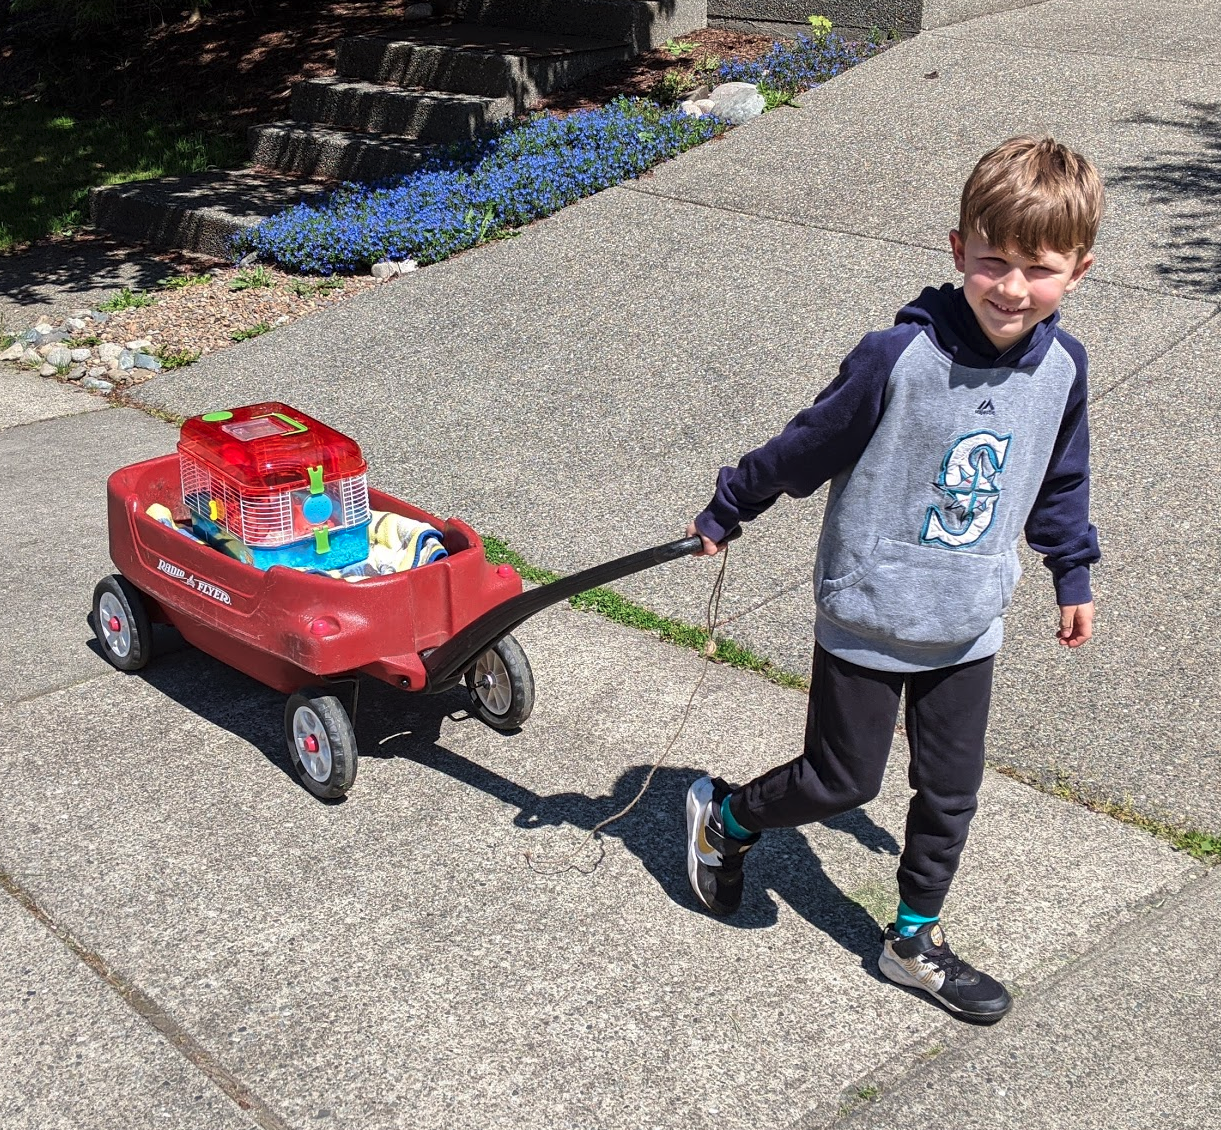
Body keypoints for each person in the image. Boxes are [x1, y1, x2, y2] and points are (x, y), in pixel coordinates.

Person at [684, 136, 1104, 1024]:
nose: (1012, 288)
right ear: (957, 252)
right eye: (992, 261)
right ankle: (725, 818)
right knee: (842, 781)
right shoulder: (895, 358)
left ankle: (913, 939)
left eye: (1039, 268)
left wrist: (1072, 570)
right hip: (870, 611)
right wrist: (729, 508)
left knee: (951, 790)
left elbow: (1058, 480)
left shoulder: (1061, 372)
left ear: (1078, 270)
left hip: (966, 620)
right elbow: (806, 445)